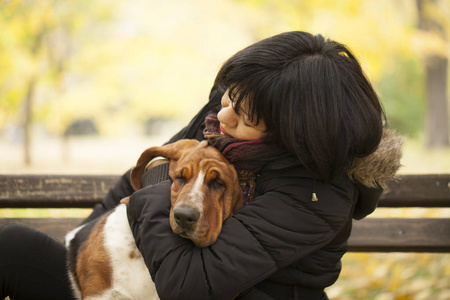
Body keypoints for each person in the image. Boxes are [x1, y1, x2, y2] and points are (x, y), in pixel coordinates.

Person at [0, 31, 402, 300]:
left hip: (198, 289)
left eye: (243, 116)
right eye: (228, 97)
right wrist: (85, 251)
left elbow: (191, 285)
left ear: (292, 136)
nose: (221, 117)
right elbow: (144, 175)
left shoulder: (317, 194)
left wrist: (153, 200)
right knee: (12, 246)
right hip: (142, 280)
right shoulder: (225, 117)